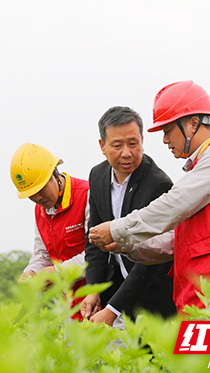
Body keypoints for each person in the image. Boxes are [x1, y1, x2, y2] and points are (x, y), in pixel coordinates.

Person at [88, 81, 210, 316]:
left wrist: (118, 229)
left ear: (193, 124)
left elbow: (172, 205)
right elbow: (174, 242)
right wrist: (125, 245)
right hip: (204, 302)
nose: (164, 139)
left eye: (167, 130)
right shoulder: (200, 171)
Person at [80, 106, 177, 327]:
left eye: (133, 143)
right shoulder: (97, 175)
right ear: (102, 146)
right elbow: (94, 239)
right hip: (117, 287)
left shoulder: (158, 184)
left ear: (142, 140)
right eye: (117, 145)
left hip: (155, 296)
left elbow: (151, 258)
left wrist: (112, 310)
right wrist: (93, 290)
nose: (127, 153)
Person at [10, 143, 89, 320]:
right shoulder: (40, 209)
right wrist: (33, 272)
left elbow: (99, 253)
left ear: (55, 174)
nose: (37, 198)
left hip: (100, 300)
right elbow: (42, 252)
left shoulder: (86, 195)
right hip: (71, 304)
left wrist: (56, 272)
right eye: (31, 194)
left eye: (40, 189)